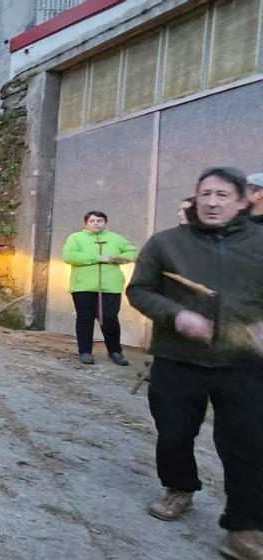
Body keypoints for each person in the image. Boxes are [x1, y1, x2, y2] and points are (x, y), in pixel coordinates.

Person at [127, 167, 263, 560]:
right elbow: (139, 290)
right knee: (173, 434)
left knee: (248, 446)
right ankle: (179, 488)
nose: (212, 202)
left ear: (242, 200)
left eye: (223, 195)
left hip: (244, 364)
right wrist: (176, 316)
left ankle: (244, 526)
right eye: (205, 193)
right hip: (177, 359)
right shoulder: (167, 243)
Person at [62, 211, 137, 365]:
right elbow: (69, 256)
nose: (96, 223)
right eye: (92, 220)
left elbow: (132, 252)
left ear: (105, 223)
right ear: (86, 223)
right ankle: (85, 352)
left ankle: (115, 351)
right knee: (85, 318)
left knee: (109, 318)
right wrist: (98, 258)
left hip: (110, 286)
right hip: (83, 286)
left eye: (100, 220)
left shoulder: (116, 238)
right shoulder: (76, 238)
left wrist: (120, 259)